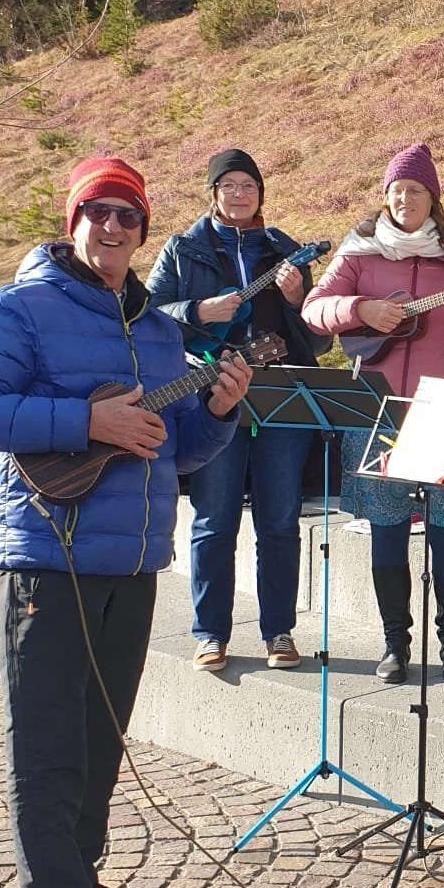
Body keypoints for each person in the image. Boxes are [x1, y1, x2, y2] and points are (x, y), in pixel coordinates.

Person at [0, 156, 253, 888]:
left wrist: (217, 410)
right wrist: (86, 419)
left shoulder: (156, 329)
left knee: (101, 740)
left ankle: (82, 886)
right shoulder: (20, 308)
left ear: (144, 231)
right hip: (48, 558)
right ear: (73, 219)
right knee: (48, 749)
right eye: (98, 212)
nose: (112, 228)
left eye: (128, 216)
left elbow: (175, 449)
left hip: (134, 558)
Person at [302, 143, 444, 682]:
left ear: (433, 198)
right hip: (377, 405)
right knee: (387, 528)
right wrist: (361, 309)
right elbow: (314, 310)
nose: (405, 199)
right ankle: (395, 644)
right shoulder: (360, 251)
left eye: (415, 190)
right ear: (385, 198)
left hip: (440, 404)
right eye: (396, 191)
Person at [148, 148, 324, 674]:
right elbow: (150, 318)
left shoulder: (286, 252)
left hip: (279, 397)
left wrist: (297, 303)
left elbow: (316, 339)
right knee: (214, 519)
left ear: (261, 194)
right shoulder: (182, 250)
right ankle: (210, 633)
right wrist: (198, 311)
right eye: (229, 186)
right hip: (211, 398)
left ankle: (280, 632)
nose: (239, 194)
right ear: (213, 194)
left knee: (280, 519)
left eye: (248, 186)